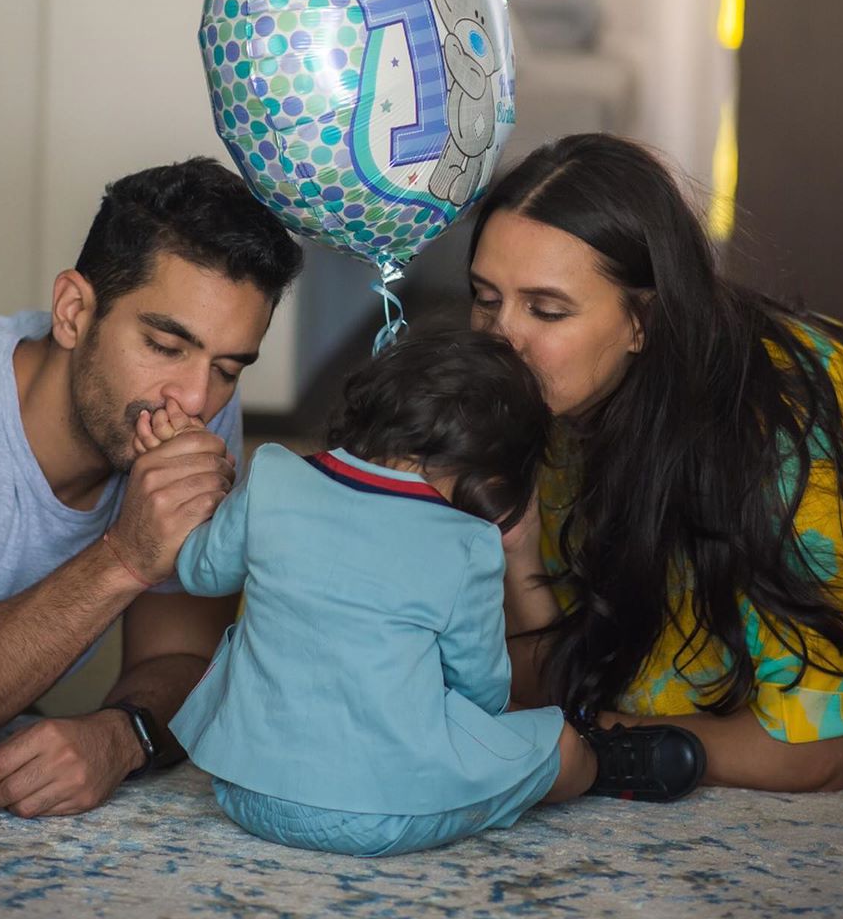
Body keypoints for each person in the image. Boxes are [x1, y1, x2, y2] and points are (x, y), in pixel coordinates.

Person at [467, 132, 843, 791]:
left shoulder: (777, 429)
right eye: (486, 298)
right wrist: (517, 555)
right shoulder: (531, 400)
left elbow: (813, 752)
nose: (502, 338)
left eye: (547, 309)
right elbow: (551, 688)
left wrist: (592, 743)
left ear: (642, 323)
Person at [0, 157, 302, 817]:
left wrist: (120, 737)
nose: (198, 399)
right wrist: (124, 558)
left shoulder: (193, 408)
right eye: (165, 345)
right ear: (72, 311)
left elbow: (185, 655)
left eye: (229, 367)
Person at [147, 331, 705, 858]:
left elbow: (199, 573)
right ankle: (597, 765)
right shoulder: (467, 544)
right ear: (494, 478)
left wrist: (205, 479)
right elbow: (482, 695)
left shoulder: (273, 473)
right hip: (382, 815)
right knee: (558, 746)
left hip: (244, 788)